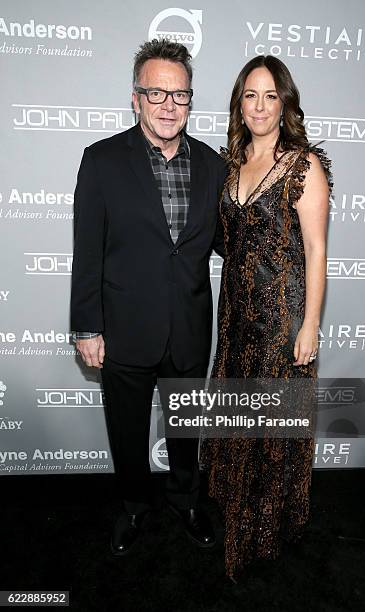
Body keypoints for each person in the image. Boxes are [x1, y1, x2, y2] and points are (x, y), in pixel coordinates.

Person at [70, 39, 226, 556]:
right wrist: (87, 327)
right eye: (155, 93)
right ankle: (135, 507)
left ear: (190, 101)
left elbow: (231, 241)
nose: (167, 105)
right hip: (124, 328)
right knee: (128, 431)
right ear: (135, 97)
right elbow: (87, 249)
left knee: (184, 430)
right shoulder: (102, 160)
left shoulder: (212, 164)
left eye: (178, 95)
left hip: (188, 326)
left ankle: (186, 500)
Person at [200, 55, 333, 581]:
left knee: (270, 428)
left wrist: (309, 326)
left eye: (270, 95)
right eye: (250, 95)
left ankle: (264, 532)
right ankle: (236, 511)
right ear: (239, 103)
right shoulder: (228, 165)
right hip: (234, 316)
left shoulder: (303, 165)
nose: (259, 105)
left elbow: (317, 251)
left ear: (285, 104)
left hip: (282, 320)